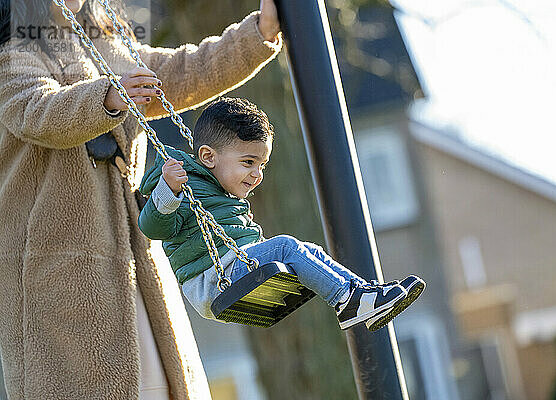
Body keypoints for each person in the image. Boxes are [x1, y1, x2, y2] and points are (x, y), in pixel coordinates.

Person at [0, 0, 282, 399]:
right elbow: (36, 111)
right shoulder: (13, 52)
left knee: (160, 385)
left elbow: (186, 71)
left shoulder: (106, 42)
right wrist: (108, 97)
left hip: (134, 257)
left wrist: (259, 33)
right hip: (56, 270)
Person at [137, 97, 426, 332]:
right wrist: (168, 189)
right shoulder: (186, 186)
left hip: (233, 266)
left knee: (309, 250)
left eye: (261, 165)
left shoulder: (220, 190)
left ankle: (362, 295)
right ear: (209, 156)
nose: (256, 174)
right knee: (287, 246)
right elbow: (152, 227)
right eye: (248, 162)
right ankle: (348, 300)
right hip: (212, 281)